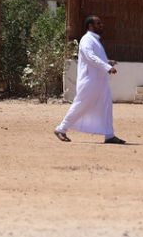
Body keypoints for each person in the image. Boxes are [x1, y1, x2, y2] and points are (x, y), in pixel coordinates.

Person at [54, 15, 127, 144]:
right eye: (98, 23)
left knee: (106, 106)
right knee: (81, 104)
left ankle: (109, 135)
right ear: (90, 26)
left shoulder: (94, 40)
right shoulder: (87, 39)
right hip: (90, 80)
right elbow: (90, 56)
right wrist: (107, 67)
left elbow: (94, 58)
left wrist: (107, 62)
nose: (101, 25)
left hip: (100, 81)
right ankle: (61, 128)